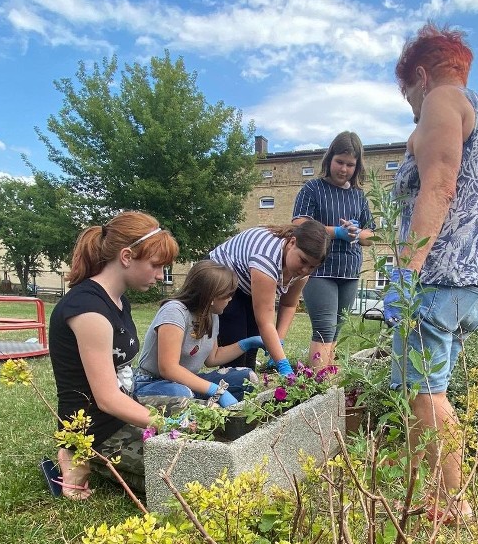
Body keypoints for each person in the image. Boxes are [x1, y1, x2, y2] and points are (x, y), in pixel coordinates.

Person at [383, 23, 478, 524]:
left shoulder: (442, 101)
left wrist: (407, 275)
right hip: (473, 283)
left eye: (406, 92)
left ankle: (451, 505)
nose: (411, 104)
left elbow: (438, 187)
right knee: (430, 391)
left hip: (437, 280)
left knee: (426, 395)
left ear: (420, 75)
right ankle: (433, 491)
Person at [48, 211, 179, 498]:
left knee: (191, 409)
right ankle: (80, 457)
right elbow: (106, 399)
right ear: (127, 256)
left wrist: (173, 421)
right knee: (180, 477)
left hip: (124, 409)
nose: (160, 276)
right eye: (157, 266)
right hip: (97, 428)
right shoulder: (88, 311)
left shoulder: (119, 301)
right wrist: (163, 424)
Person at [291, 131, 375, 370]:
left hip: (349, 271)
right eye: (340, 162)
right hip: (320, 268)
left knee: (337, 328)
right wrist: (336, 231)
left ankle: (325, 381)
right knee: (324, 327)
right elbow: (299, 225)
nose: (344, 169)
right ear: (329, 159)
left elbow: (372, 236)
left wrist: (358, 234)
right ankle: (317, 384)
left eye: (350, 164)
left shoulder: (358, 196)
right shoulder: (313, 189)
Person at [208, 221, 330, 373]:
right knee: (237, 345)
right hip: (222, 280)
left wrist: (279, 342)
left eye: (312, 266)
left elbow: (289, 305)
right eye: (303, 261)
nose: (305, 270)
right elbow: (265, 321)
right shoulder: (266, 259)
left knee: (252, 348)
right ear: (292, 242)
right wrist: (283, 363)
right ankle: (229, 387)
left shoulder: (302, 272)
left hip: (248, 286)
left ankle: (244, 386)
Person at [132, 260, 260, 405]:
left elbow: (213, 358)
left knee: (246, 378)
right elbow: (168, 369)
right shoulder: (175, 311)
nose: (230, 299)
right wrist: (215, 390)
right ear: (212, 297)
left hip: (185, 382)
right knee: (182, 395)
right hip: (151, 383)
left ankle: (205, 406)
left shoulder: (212, 315)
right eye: (228, 294)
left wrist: (248, 344)